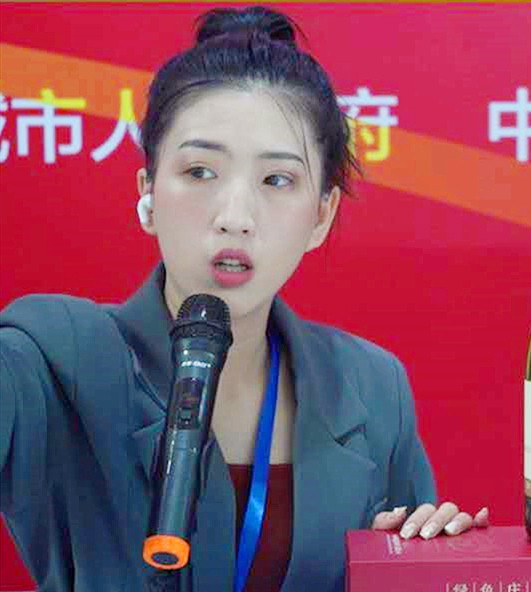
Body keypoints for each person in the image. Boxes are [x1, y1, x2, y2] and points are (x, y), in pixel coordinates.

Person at [0, 7, 487, 591]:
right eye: (200, 172)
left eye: (276, 180)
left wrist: (426, 561)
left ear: (322, 215)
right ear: (148, 193)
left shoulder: (372, 385)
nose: (235, 217)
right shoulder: (53, 356)